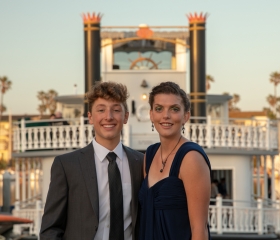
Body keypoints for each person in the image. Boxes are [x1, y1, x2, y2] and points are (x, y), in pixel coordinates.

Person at [40, 81, 144, 240]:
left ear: (125, 116)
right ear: (90, 117)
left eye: (116, 110)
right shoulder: (67, 165)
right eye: (101, 110)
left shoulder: (140, 162)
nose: (108, 117)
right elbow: (51, 228)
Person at [139, 82, 211, 240]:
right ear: (151, 115)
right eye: (159, 109)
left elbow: (199, 230)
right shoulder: (149, 155)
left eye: (174, 109)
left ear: (186, 116)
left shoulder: (191, 158)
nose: (166, 115)